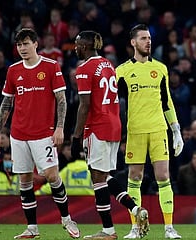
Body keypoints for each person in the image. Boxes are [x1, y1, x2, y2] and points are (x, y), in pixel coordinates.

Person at [0, 28, 79, 239]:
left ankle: (67, 218)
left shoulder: (50, 66)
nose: (22, 48)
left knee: (51, 175)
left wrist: (59, 128)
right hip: (18, 134)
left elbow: (61, 100)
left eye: (26, 43)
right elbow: (7, 102)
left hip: (43, 133)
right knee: (24, 180)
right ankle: (32, 228)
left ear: (36, 44)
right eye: (19, 45)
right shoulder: (13, 70)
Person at [70, 30, 148, 239]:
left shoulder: (84, 68)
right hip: (114, 125)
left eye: (77, 44)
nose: (75, 48)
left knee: (97, 178)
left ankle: (108, 231)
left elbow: (84, 106)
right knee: (104, 175)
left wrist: (76, 137)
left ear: (85, 46)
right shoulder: (107, 64)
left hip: (98, 126)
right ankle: (135, 209)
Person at [116, 24, 183, 239]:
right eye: (143, 38)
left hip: (158, 130)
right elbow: (112, 101)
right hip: (135, 131)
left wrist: (176, 130)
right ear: (133, 42)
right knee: (134, 178)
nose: (148, 41)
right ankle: (135, 228)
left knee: (163, 176)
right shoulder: (123, 71)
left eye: (149, 38)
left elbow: (167, 101)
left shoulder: (161, 69)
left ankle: (169, 228)